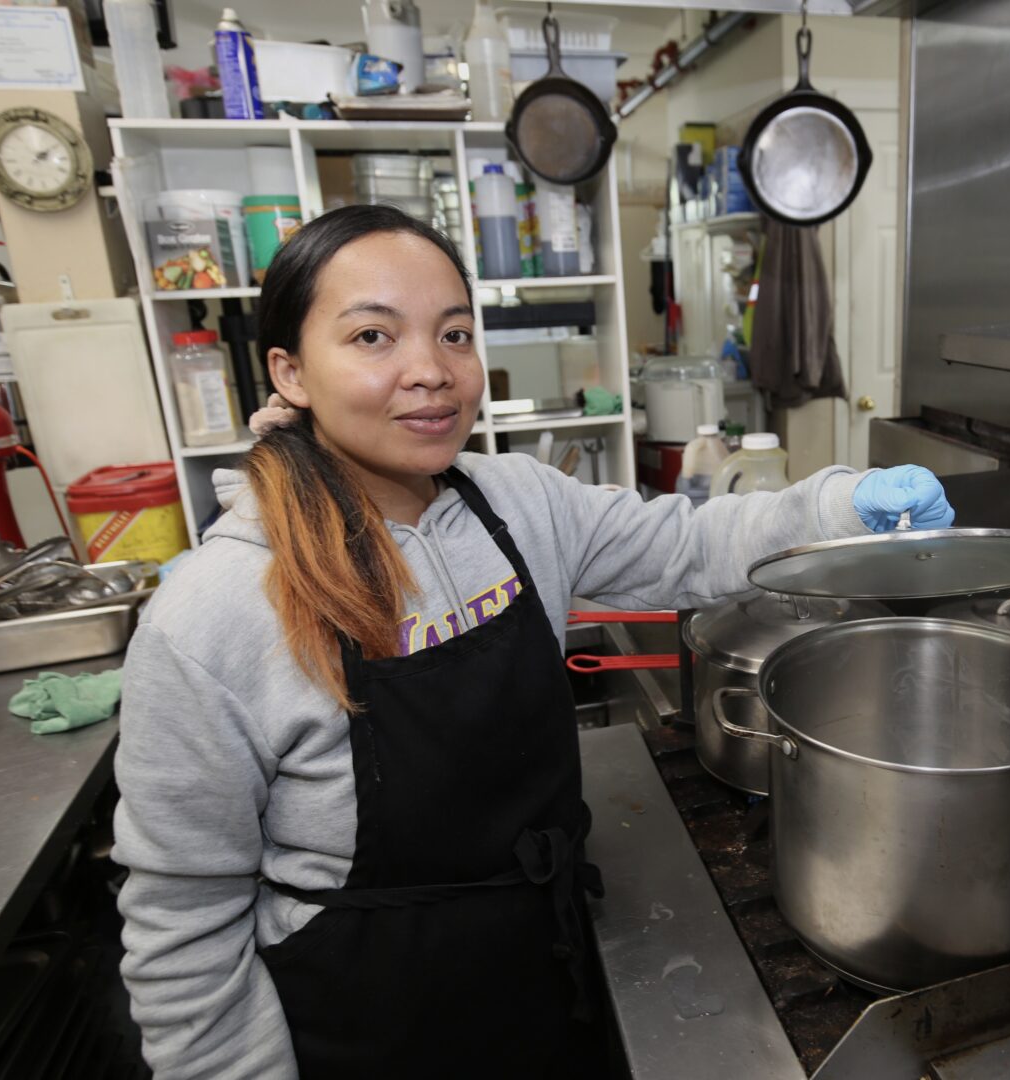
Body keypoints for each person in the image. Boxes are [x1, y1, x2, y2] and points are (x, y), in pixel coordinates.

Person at [112, 204, 954, 1078]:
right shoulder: (213, 616)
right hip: (369, 1022)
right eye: (372, 337)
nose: (431, 373)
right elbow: (184, 926)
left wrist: (841, 509)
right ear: (288, 371)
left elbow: (689, 543)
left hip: (546, 964)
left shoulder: (520, 500)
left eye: (455, 334)